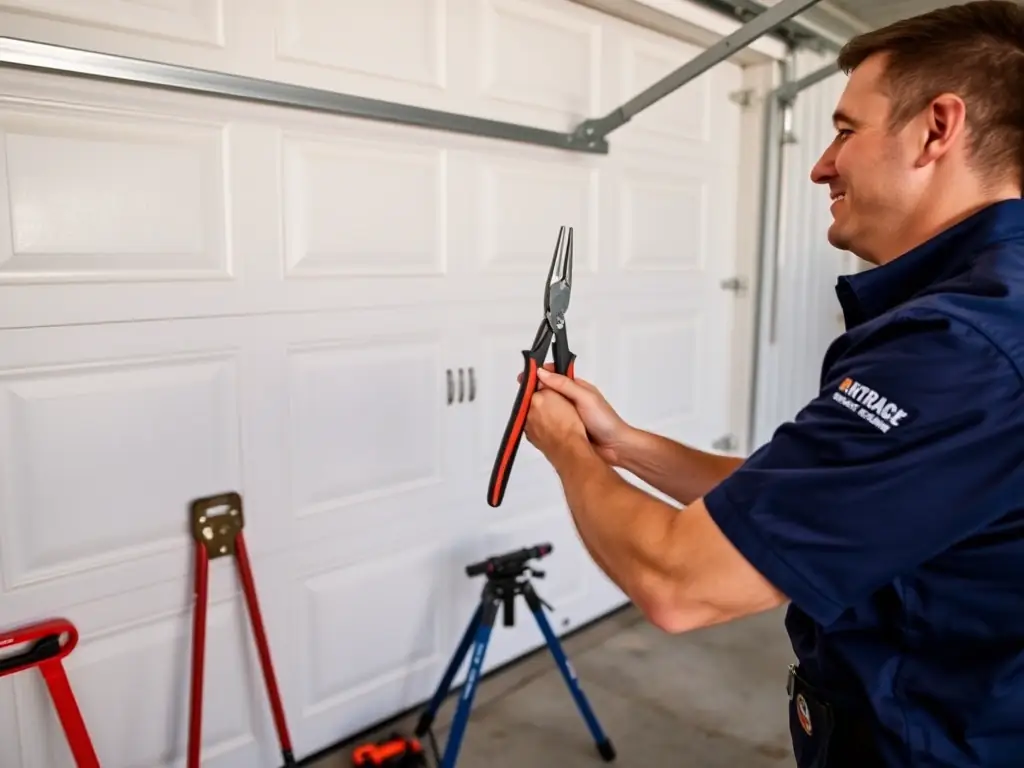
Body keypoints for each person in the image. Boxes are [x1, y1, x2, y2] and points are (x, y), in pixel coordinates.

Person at [520, 2, 1024, 766]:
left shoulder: (960, 349)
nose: (823, 164)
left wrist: (567, 452)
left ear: (937, 128)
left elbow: (678, 582)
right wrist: (622, 446)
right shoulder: (991, 312)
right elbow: (794, 509)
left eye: (847, 130)